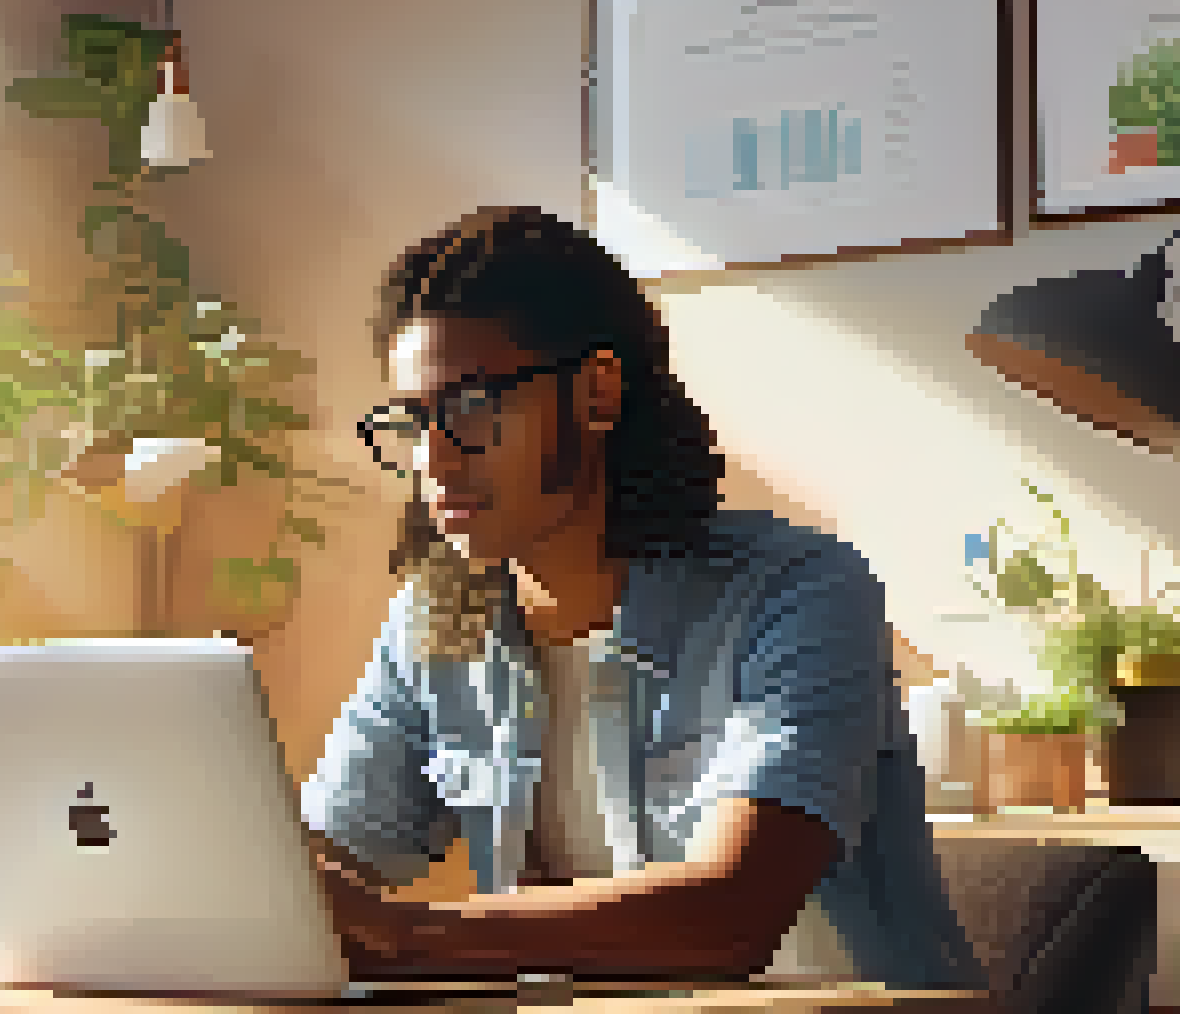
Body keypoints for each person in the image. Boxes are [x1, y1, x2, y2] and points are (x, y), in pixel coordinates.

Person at [301, 206, 985, 988]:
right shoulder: (434, 625)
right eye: (415, 421)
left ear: (597, 392)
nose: (436, 463)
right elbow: (326, 858)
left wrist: (405, 933)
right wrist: (279, 893)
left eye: (472, 407)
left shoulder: (797, 589)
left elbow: (729, 917)